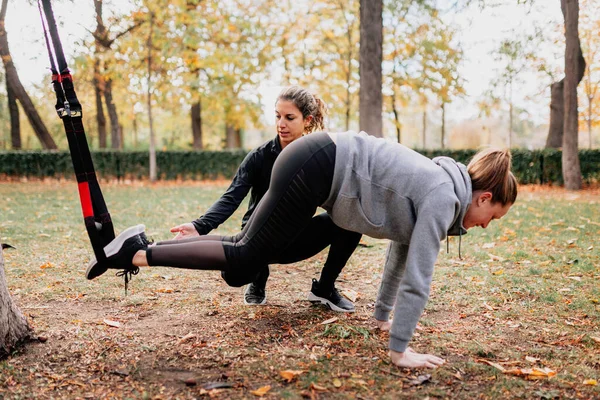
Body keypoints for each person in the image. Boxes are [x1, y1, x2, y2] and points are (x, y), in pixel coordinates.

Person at [86, 130, 517, 369]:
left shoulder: (442, 187)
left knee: (244, 251)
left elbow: (401, 254)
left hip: (316, 160)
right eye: (492, 217)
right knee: (245, 257)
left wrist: (384, 319)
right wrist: (400, 350)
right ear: (483, 198)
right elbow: (420, 276)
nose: (484, 226)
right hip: (317, 165)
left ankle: (139, 248)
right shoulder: (444, 196)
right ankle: (133, 254)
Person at [95, 85, 361, 312]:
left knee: (351, 220)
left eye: (290, 117)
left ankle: (325, 288)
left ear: (308, 120)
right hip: (259, 237)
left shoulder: (318, 158)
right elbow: (231, 197)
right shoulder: (259, 157)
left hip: (296, 237)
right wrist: (200, 225)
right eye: (278, 116)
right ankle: (257, 275)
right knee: (233, 276)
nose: (281, 124)